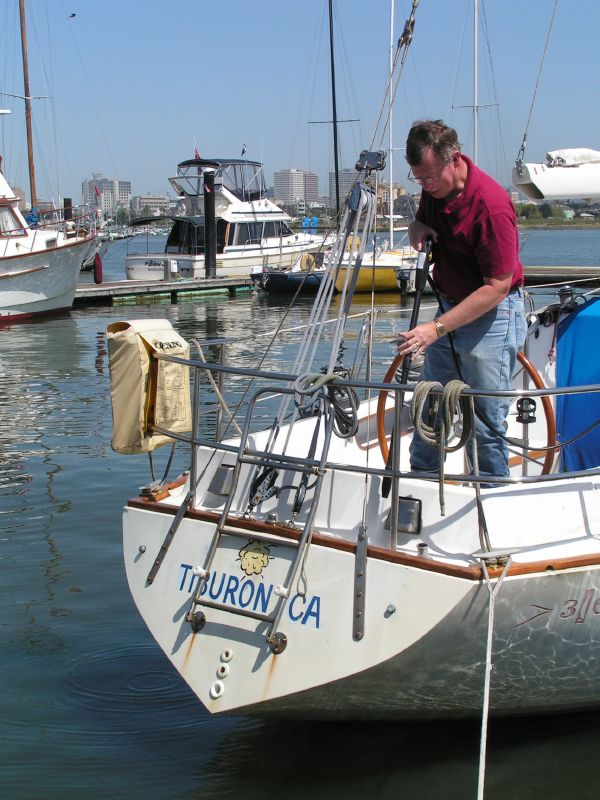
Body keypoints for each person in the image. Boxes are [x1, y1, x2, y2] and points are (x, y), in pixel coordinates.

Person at [399, 119, 526, 482]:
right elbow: (424, 220)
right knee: (428, 408)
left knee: (486, 419)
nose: (426, 186)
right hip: (449, 310)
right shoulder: (435, 188)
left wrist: (435, 329)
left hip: (493, 316)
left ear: (454, 159)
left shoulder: (491, 207)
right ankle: (420, 487)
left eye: (430, 178)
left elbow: (498, 286)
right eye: (419, 180)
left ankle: (492, 496)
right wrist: (416, 227)